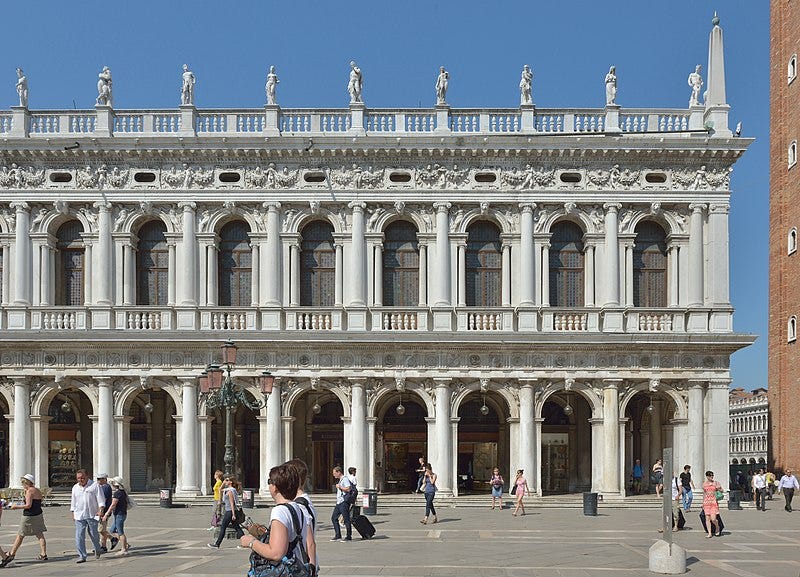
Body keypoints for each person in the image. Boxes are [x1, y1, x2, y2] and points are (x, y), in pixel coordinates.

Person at [239, 463, 310, 576]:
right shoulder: (298, 508)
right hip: (297, 567)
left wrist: (251, 542)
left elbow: (276, 553)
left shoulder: (280, 511)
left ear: (275, 487)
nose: (269, 485)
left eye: (269, 481)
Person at [2, 474, 47, 565]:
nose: (23, 485)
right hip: (38, 514)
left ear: (26, 482)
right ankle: (43, 553)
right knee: (39, 534)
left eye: (23, 483)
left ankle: (12, 554)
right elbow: (40, 501)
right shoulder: (37, 490)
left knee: (20, 535)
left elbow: (28, 505)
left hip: (29, 516)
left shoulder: (29, 491)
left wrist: (16, 507)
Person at [287, 459, 317, 575]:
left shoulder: (299, 505)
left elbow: (310, 542)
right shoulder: (305, 501)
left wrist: (312, 568)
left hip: (300, 565)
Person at [70, 469, 105, 563]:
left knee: (94, 534)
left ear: (87, 477)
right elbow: (73, 502)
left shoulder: (94, 485)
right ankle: (82, 555)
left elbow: (101, 499)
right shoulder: (75, 487)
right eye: (78, 478)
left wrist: (101, 510)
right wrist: (73, 513)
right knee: (79, 535)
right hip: (79, 514)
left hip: (92, 514)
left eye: (82, 478)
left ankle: (97, 548)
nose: (80, 480)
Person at [208, 475, 244, 548]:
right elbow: (220, 490)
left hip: (230, 511)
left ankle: (217, 544)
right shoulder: (228, 490)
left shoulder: (231, 491)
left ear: (231, 482)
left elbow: (232, 504)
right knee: (237, 527)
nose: (225, 481)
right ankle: (246, 542)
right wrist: (223, 483)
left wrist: (233, 514)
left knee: (223, 527)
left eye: (227, 480)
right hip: (229, 511)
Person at [103, 476, 130, 556]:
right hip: (120, 514)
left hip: (119, 515)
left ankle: (124, 549)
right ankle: (125, 544)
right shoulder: (123, 491)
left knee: (120, 532)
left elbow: (113, 505)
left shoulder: (117, 493)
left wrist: (106, 514)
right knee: (112, 530)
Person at [330, 466, 352, 541]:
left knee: (346, 519)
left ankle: (349, 536)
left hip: (343, 502)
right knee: (334, 518)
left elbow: (348, 489)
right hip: (339, 502)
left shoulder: (345, 479)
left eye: (334, 473)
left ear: (339, 472)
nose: (333, 475)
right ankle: (338, 534)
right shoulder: (340, 480)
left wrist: (340, 487)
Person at [701, 470, 722, 538]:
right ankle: (709, 533)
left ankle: (717, 526)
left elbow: (722, 490)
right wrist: (703, 502)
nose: (712, 477)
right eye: (710, 475)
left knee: (713, 519)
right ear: (707, 476)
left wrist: (718, 488)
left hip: (713, 502)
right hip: (707, 502)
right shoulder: (704, 484)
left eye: (712, 475)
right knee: (707, 518)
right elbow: (704, 493)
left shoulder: (716, 483)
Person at [95, 473, 112, 552]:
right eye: (97, 479)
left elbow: (103, 500)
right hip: (99, 511)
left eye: (100, 479)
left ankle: (104, 547)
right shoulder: (101, 487)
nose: (98, 480)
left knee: (101, 530)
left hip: (103, 512)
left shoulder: (105, 487)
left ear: (104, 479)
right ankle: (112, 539)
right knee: (100, 529)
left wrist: (101, 511)